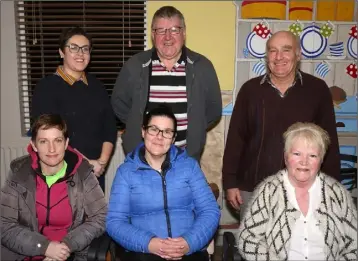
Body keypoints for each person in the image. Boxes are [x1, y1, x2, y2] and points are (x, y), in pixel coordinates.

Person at [222, 30, 340, 216]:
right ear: (267, 55)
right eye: (272, 50)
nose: (279, 57)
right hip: (253, 190)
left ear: (298, 54)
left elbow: (329, 143)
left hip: (304, 191)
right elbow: (236, 140)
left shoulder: (317, 90)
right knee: (254, 244)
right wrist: (230, 183)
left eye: (286, 50)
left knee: (298, 244)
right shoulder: (250, 90)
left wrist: (332, 188)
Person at [106, 106, 220, 261]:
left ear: (173, 139)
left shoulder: (189, 166)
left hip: (188, 251)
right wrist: (149, 243)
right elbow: (115, 222)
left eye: (167, 132)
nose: (159, 137)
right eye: (154, 129)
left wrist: (188, 242)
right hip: (144, 252)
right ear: (143, 132)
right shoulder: (126, 172)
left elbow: (210, 211)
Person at [111, 6, 222, 161]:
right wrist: (138, 125)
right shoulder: (134, 66)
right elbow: (119, 106)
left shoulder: (202, 67)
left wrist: (194, 127)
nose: (168, 37)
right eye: (161, 31)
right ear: (152, 34)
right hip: (142, 159)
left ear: (184, 33)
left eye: (174, 30)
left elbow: (213, 110)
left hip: (185, 160)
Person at [237, 122, 357, 260]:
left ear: (321, 160)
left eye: (312, 156)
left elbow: (354, 244)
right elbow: (247, 239)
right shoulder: (269, 191)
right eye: (297, 154)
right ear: (286, 157)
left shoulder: (337, 193)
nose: (304, 162)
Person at [1, 114, 107, 261]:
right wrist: (45, 247)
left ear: (66, 143)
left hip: (68, 254)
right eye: (44, 141)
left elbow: (100, 217)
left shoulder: (83, 173)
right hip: (24, 253)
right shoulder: (20, 173)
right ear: (34, 145)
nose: (52, 149)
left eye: (58, 140)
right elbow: (4, 224)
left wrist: (66, 246)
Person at [31, 26, 117, 190]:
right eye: (73, 48)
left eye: (85, 49)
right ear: (62, 52)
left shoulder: (97, 86)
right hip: (60, 172)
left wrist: (101, 163)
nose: (80, 53)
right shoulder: (46, 88)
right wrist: (86, 164)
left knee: (93, 215)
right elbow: (49, 135)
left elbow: (109, 128)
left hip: (95, 172)